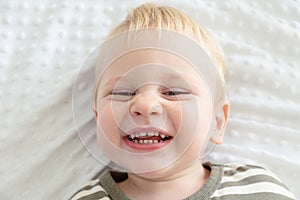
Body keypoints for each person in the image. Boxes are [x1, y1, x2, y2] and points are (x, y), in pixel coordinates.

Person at [70, 3, 295, 200]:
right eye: (123, 93)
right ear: (98, 118)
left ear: (217, 122)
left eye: (173, 92)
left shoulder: (255, 188)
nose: (145, 105)